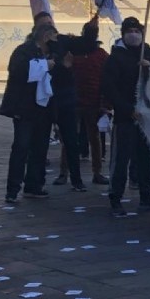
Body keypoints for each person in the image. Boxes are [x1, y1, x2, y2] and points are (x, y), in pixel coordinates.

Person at [101, 17, 150, 217]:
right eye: (129, 31)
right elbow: (109, 87)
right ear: (123, 34)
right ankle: (116, 198)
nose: (134, 35)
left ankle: (147, 196)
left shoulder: (149, 53)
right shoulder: (115, 58)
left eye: (137, 31)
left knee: (146, 159)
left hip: (146, 117)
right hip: (126, 116)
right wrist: (126, 108)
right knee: (121, 159)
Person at [33, 12, 98, 192]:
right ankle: (36, 181)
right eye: (44, 26)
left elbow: (86, 46)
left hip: (65, 98)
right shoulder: (32, 46)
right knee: (40, 141)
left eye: (51, 25)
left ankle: (76, 179)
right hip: (43, 100)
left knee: (71, 140)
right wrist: (60, 65)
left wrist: (91, 30)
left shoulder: (64, 41)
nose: (49, 29)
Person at [1, 23, 60, 202]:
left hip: (43, 109)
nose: (56, 41)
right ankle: (13, 189)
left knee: (40, 148)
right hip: (24, 108)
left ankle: (34, 185)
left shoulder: (51, 54)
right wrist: (43, 65)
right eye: (54, 37)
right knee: (21, 147)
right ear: (45, 36)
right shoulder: (23, 51)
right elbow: (19, 72)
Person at [59, 22, 110, 187]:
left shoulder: (99, 54)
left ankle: (94, 172)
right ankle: (65, 172)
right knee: (71, 138)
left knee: (91, 138)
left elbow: (105, 79)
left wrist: (104, 104)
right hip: (75, 101)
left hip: (92, 101)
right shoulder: (75, 52)